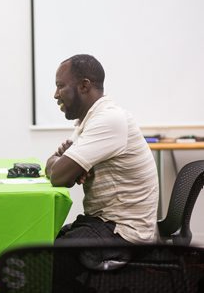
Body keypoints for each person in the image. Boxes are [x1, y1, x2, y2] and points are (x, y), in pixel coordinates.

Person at [45, 54, 159, 291]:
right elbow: (55, 166)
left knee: (43, 261)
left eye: (60, 86)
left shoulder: (109, 120)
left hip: (123, 232)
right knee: (42, 243)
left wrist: (64, 164)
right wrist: (61, 162)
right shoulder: (89, 121)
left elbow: (59, 177)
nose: (55, 95)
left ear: (84, 85)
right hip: (103, 223)